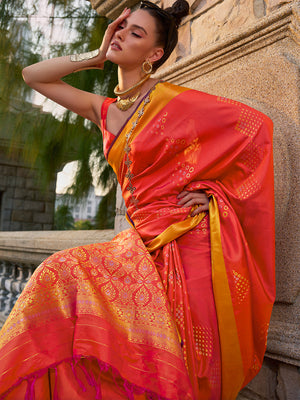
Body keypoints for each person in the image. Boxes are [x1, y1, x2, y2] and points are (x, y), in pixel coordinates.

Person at [0, 1, 275, 399]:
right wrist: (93, 57)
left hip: (185, 244)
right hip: (138, 243)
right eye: (121, 27)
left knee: (176, 363)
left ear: (154, 55)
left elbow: (256, 129)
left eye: (135, 33)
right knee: (60, 275)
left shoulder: (175, 101)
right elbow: (33, 75)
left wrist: (216, 194)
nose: (121, 34)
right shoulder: (103, 110)